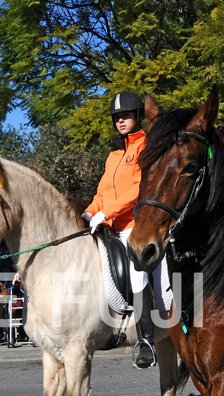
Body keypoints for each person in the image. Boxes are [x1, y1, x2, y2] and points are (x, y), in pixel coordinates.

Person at [81, 91, 157, 369]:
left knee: (138, 276)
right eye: (117, 117)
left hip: (137, 226)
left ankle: (146, 339)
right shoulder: (113, 155)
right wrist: (89, 211)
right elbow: (103, 192)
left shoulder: (146, 146)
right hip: (109, 226)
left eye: (126, 115)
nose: (121, 121)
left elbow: (139, 190)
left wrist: (105, 213)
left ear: (138, 116)